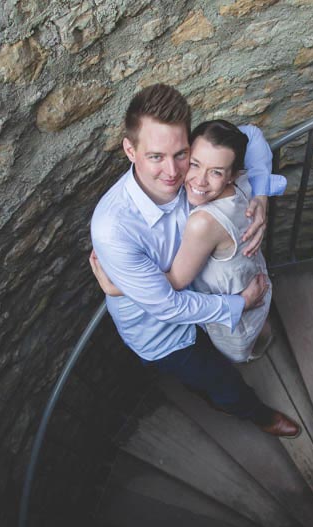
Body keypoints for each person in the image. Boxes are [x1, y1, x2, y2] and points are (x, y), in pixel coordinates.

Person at [90, 84, 299, 438]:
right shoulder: (114, 228)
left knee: (216, 368)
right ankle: (257, 414)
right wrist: (238, 303)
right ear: (130, 149)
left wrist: (261, 195)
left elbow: (249, 135)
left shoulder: (194, 176)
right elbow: (167, 307)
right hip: (165, 333)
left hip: (199, 292)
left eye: (181, 153)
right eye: (156, 156)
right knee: (219, 381)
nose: (173, 172)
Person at [94, 119, 274, 363]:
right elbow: (251, 133)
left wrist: (115, 288)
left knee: (243, 349)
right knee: (259, 330)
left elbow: (176, 282)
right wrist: (261, 195)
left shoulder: (203, 222)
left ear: (232, 175)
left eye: (216, 172)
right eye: (194, 164)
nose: (200, 180)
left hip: (240, 299)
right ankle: (263, 342)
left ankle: (258, 350)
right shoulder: (241, 182)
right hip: (252, 276)